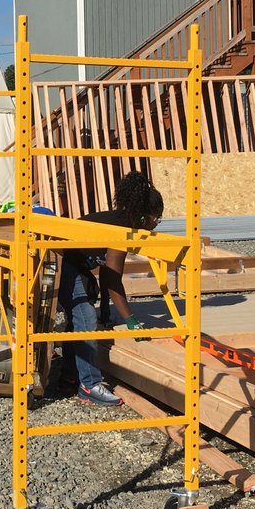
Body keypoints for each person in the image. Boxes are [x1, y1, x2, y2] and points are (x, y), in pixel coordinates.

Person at [57, 171, 163, 407]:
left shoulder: (118, 220)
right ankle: (89, 385)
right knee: (85, 318)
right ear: (144, 216)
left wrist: (105, 307)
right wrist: (132, 322)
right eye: (157, 218)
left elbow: (106, 273)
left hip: (70, 260)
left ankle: (69, 376)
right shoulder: (122, 229)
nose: (156, 224)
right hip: (63, 262)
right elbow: (114, 279)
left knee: (79, 317)